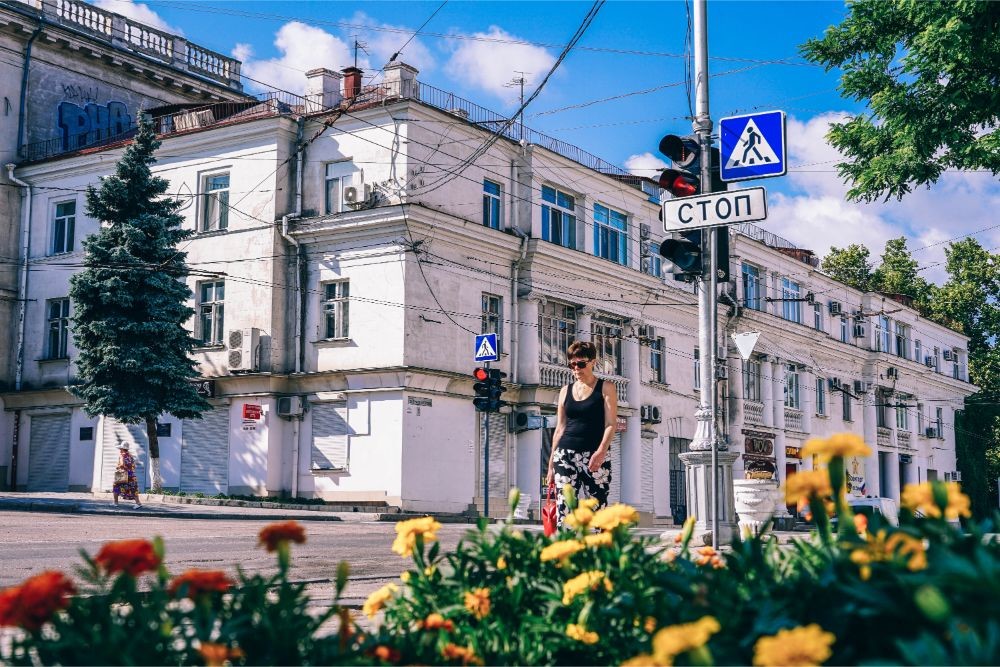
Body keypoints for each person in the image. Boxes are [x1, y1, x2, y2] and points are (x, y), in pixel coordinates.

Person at [545, 341, 617, 526]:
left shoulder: (606, 387)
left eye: (581, 364)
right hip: (565, 455)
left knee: (598, 508)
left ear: (593, 362)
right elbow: (560, 428)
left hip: (594, 456)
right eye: (572, 364)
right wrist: (551, 463)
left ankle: (598, 551)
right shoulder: (564, 391)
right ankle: (567, 552)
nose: (576, 368)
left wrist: (601, 452)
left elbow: (610, 424)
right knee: (564, 509)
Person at [113, 442, 142, 509]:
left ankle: (115, 503)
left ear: (122, 449)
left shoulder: (122, 455)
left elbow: (122, 464)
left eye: (120, 449)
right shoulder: (130, 456)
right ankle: (138, 503)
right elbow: (133, 465)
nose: (120, 450)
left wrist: (118, 467)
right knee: (133, 488)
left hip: (123, 473)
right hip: (131, 474)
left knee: (116, 486)